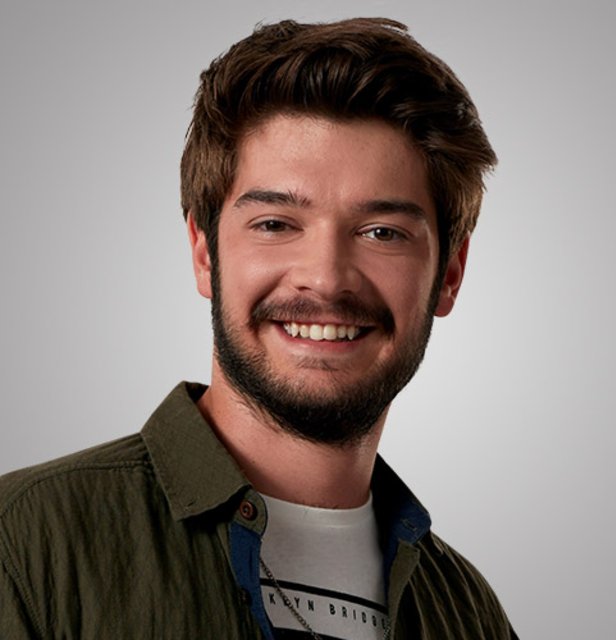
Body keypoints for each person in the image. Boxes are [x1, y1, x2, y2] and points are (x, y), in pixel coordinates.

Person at [0, 17, 518, 639]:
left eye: (382, 232)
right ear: (204, 253)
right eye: (275, 224)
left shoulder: (470, 614)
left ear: (450, 274)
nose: (325, 278)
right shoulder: (23, 544)